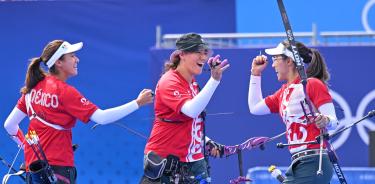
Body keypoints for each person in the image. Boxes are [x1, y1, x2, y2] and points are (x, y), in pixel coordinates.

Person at [3, 40, 154, 184]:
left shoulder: (32, 88)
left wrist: (27, 147)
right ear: (59, 62)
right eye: (72, 56)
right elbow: (102, 118)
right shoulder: (65, 92)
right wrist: (138, 103)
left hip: (34, 171)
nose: (77, 59)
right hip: (58, 170)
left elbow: (9, 125)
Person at [140, 33, 229, 183]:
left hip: (193, 162)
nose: (203, 57)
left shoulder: (193, 84)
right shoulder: (169, 81)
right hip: (166, 163)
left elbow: (191, 122)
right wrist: (214, 80)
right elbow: (191, 111)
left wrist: (205, 141)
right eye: (197, 52)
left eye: (204, 53)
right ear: (182, 54)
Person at [248, 40, 339, 184]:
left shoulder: (312, 84)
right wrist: (255, 73)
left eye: (276, 59)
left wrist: (325, 120)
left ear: (289, 61)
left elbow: (334, 122)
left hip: (314, 161)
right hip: (297, 162)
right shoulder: (283, 92)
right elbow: (254, 107)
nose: (272, 65)